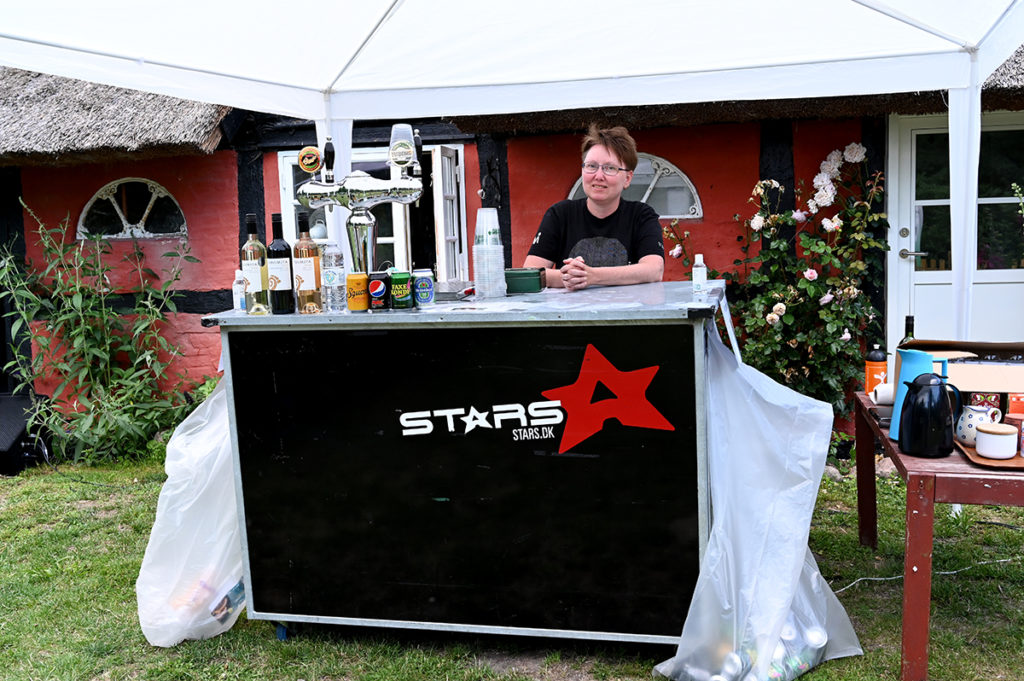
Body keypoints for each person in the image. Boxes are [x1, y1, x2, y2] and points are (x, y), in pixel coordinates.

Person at [523, 124, 664, 291]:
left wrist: (592, 276)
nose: (598, 176)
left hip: (627, 306)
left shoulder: (641, 216)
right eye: (591, 166)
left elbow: (654, 270)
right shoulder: (560, 215)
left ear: (627, 178)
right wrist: (569, 277)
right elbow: (529, 273)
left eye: (610, 168)